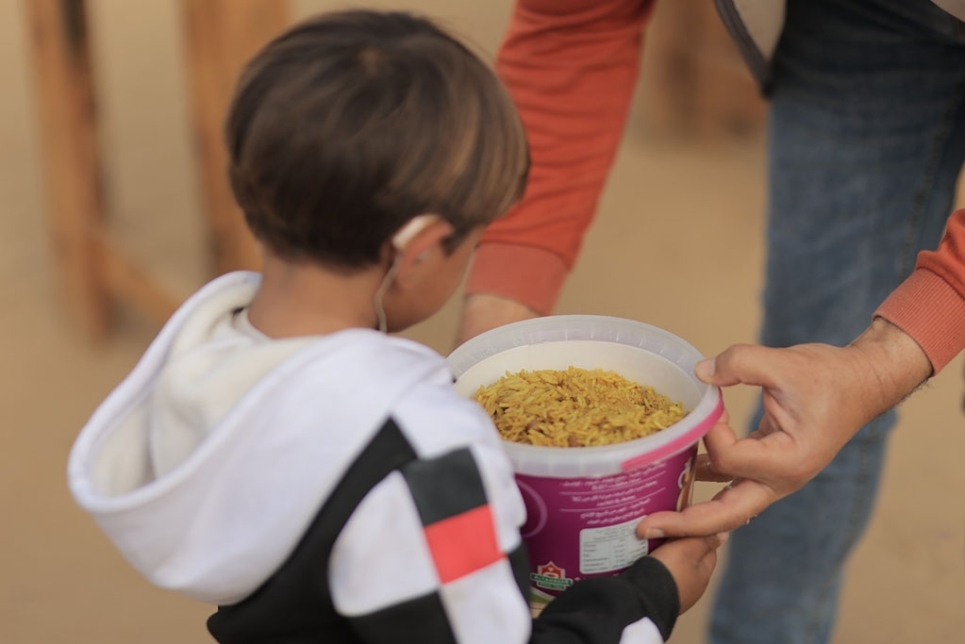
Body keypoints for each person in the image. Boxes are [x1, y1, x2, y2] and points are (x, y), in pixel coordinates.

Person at [65, 10, 727, 644]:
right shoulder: (424, 459)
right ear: (419, 252)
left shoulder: (198, 359)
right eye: (471, 241)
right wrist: (646, 597)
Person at [455, 1, 965, 643]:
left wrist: (895, 352)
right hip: (858, 20)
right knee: (807, 391)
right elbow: (574, 24)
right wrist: (491, 337)